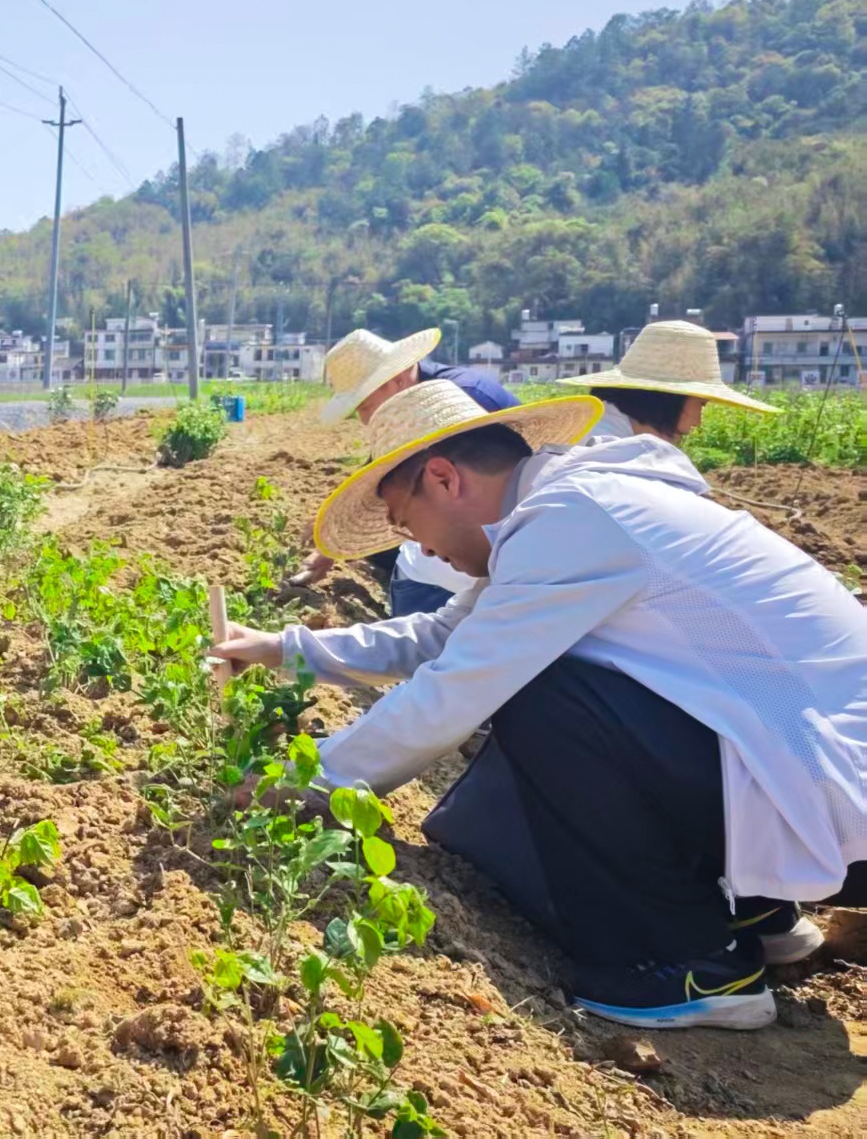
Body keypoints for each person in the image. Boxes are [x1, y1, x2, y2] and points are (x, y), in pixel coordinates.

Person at [213, 379, 867, 1030]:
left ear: (443, 478)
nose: (420, 550)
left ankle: (691, 960)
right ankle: (759, 912)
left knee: (539, 690)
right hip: (810, 766)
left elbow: (456, 687)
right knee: (569, 682)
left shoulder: (571, 522)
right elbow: (441, 635)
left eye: (407, 525)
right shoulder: (567, 509)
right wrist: (281, 647)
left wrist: (309, 779)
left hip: (839, 795)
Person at [298, 328, 519, 615]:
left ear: (396, 379)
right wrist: (330, 545)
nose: (365, 421)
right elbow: (383, 471)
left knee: (408, 555)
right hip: (496, 542)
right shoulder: (422, 399)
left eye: (364, 406)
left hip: (492, 543)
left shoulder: (459, 399)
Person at [559, 318, 777, 444]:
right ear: (668, 399)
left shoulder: (593, 429)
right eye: (700, 404)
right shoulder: (612, 451)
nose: (698, 422)